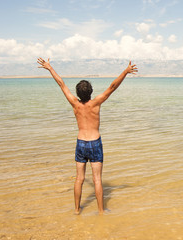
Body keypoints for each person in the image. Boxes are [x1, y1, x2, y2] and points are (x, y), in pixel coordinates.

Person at [37, 57, 138, 214]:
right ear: (91, 92)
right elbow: (112, 87)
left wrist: (49, 68)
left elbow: (61, 84)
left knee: (79, 179)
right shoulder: (96, 103)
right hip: (95, 143)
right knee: (97, 179)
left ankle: (77, 210)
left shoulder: (74, 103)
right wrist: (125, 71)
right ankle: (101, 211)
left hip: (81, 143)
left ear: (78, 93)